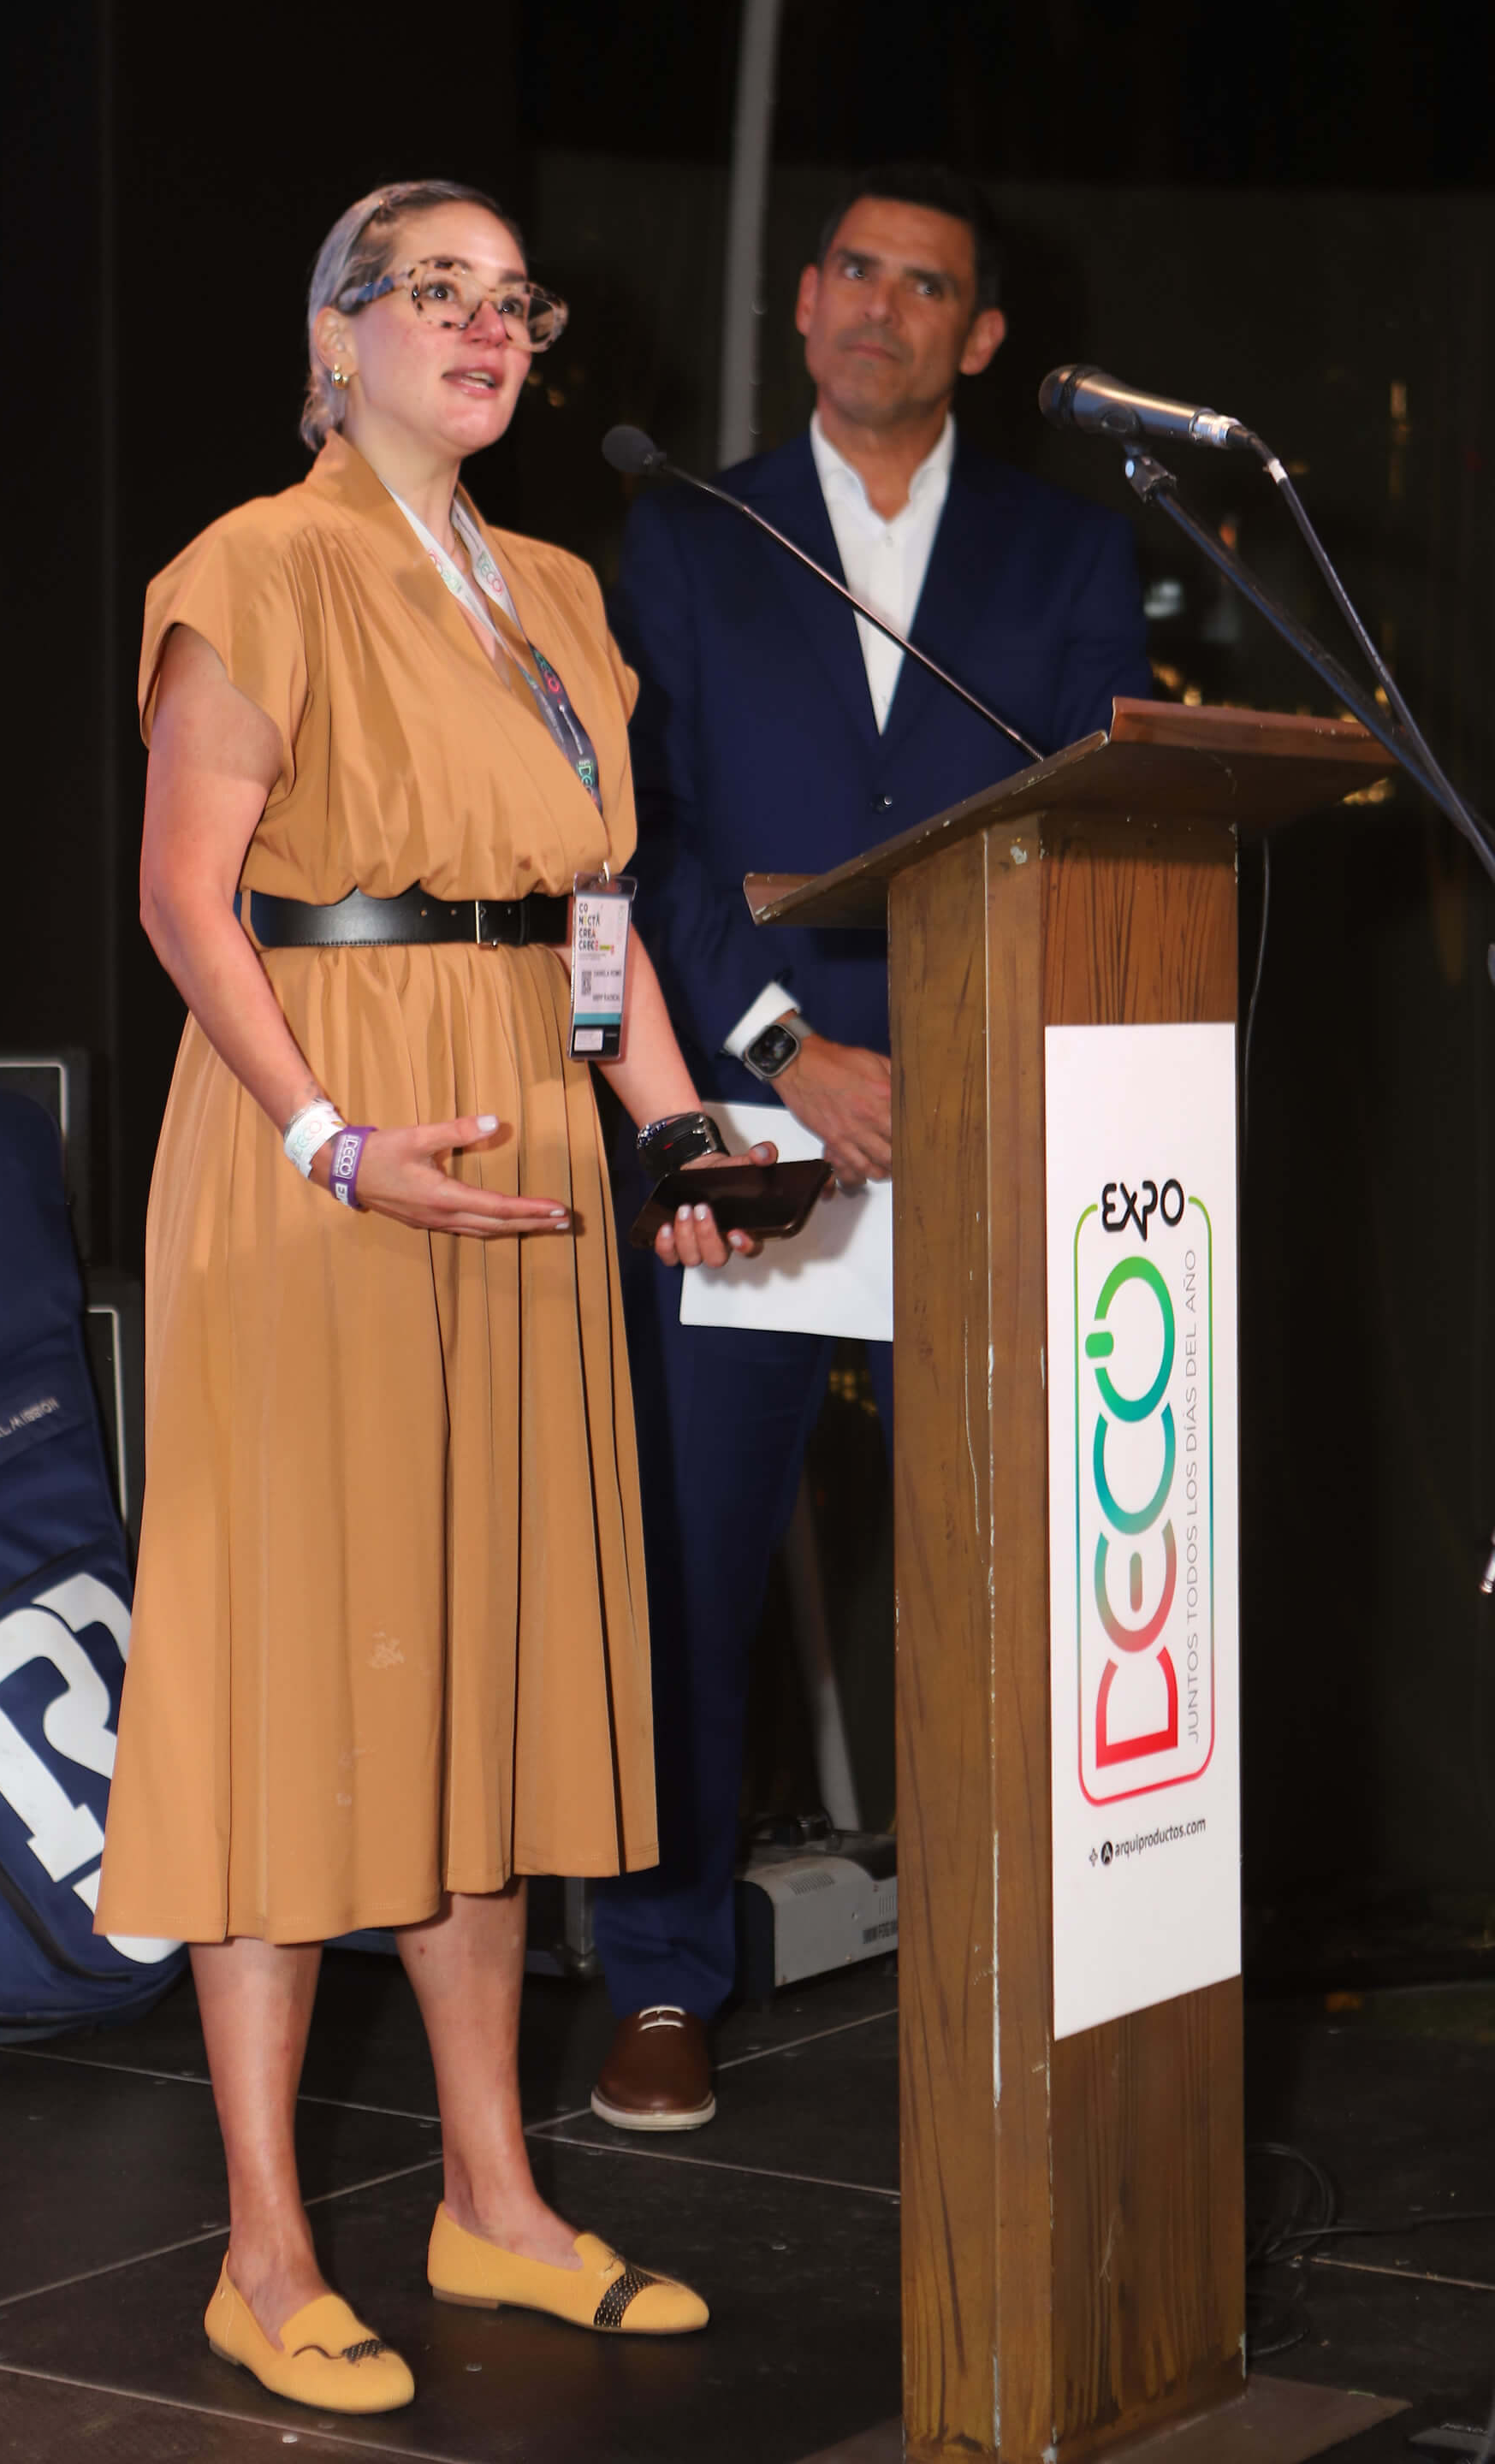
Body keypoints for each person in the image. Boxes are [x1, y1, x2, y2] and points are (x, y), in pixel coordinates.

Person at [95, 178, 775, 2418]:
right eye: (437, 294)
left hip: (524, 1144)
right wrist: (327, 1138)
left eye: (513, 302)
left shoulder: (562, 590)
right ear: (337, 333)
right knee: (301, 1683)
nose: (488, 330)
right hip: (321, 1137)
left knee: (475, 1670)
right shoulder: (255, 565)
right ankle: (263, 2250)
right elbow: (185, 900)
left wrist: (672, 1124)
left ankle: (492, 2199)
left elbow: (592, 918)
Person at [590, 165, 1152, 2132]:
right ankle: (662, 1976)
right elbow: (637, 837)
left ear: (978, 337)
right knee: (688, 1567)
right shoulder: (692, 528)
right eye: (850, 268)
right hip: (750, 1108)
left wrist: (964, 1060)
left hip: (987, 1123)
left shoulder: (1070, 552)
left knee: (1015, 1577)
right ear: (803, 297)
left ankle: (1021, 1975)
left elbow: (1106, 816)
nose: (875, 304)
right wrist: (785, 1048)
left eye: (923, 285)